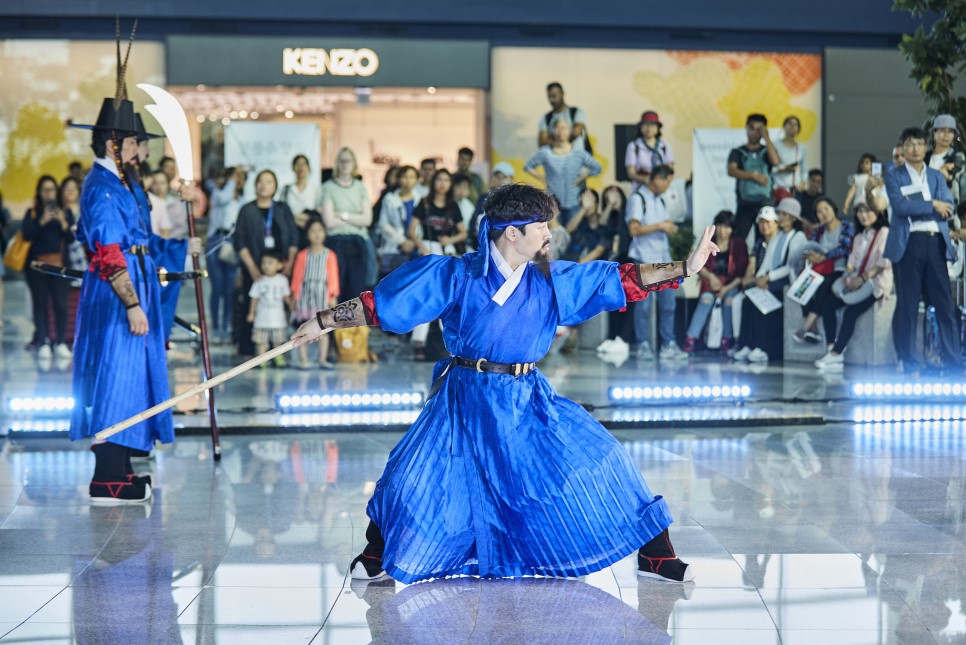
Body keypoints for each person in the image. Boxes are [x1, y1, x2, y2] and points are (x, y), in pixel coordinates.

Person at [291, 183, 720, 585]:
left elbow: (617, 278)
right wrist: (323, 321)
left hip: (525, 398)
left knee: (604, 457)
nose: (550, 233)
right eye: (541, 225)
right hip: (463, 396)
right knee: (412, 471)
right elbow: (386, 302)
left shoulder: (550, 278)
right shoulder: (457, 274)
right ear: (512, 233)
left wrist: (685, 267)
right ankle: (377, 551)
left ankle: (655, 552)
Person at [68, 73, 200, 503]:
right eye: (132, 143)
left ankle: (120, 470)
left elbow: (141, 242)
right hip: (115, 295)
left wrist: (183, 247)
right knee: (115, 377)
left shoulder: (123, 184)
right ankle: (106, 476)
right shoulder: (103, 189)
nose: (138, 150)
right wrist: (132, 305)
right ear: (113, 145)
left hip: (132, 285)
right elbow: (109, 253)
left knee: (132, 379)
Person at [884, 126, 962, 375]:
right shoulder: (894, 175)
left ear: (925, 147)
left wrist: (928, 205)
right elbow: (899, 207)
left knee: (945, 304)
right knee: (908, 305)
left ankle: (953, 360)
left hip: (935, 241)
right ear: (902, 148)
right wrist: (932, 204)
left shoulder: (936, 176)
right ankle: (909, 361)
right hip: (909, 243)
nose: (915, 149)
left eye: (919, 144)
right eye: (909, 144)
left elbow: (947, 207)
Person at [814, 203, 892, 370]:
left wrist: (863, 278)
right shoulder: (858, 236)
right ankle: (831, 348)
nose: (864, 215)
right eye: (860, 212)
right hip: (856, 282)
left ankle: (836, 353)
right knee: (828, 304)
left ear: (878, 213)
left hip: (875, 283)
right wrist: (847, 275)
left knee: (851, 312)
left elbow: (883, 262)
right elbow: (851, 262)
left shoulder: (884, 232)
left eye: (868, 210)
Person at [234, 169, 298, 356]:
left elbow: (293, 237)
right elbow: (240, 241)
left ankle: (278, 350)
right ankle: (251, 350)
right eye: (260, 181)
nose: (264, 185)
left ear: (275, 186)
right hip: (254, 269)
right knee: (252, 306)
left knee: (279, 309)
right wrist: (253, 269)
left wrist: (290, 262)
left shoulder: (282, 208)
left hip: (280, 269)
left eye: (269, 181)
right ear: (255, 185)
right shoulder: (247, 210)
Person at [626, 164, 686, 362]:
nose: (668, 186)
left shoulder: (660, 201)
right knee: (643, 306)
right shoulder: (638, 199)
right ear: (657, 179)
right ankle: (643, 344)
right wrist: (660, 226)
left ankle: (668, 343)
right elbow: (634, 229)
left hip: (664, 259)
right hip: (645, 259)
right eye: (667, 181)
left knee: (668, 304)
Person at [731, 207, 794, 363]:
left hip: (781, 283)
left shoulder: (784, 238)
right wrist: (758, 280)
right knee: (747, 300)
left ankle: (761, 346)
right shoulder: (759, 243)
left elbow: (788, 266)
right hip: (765, 281)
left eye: (768, 222)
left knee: (758, 302)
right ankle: (745, 344)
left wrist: (764, 279)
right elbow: (760, 265)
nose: (764, 226)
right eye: (761, 223)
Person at [21, 175, 75, 359]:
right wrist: (41, 222)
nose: (48, 193)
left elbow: (72, 238)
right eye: (45, 190)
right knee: (40, 304)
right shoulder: (33, 213)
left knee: (61, 304)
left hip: (60, 266)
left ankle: (59, 342)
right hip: (37, 267)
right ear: (39, 192)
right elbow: (27, 236)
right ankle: (43, 341)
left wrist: (63, 222)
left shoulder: (65, 211)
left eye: (51, 189)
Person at [682, 210, 748, 354]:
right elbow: (699, 266)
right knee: (706, 300)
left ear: (732, 229)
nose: (723, 230)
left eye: (727, 227)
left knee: (729, 301)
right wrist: (711, 278)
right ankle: (691, 339)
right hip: (710, 283)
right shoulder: (708, 243)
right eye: (720, 226)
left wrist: (726, 289)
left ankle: (727, 340)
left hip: (731, 285)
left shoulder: (739, 245)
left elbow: (740, 274)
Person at [791, 196, 855, 345]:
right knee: (802, 286)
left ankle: (805, 327)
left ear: (833, 208)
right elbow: (810, 247)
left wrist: (824, 256)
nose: (824, 213)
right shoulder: (818, 231)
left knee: (823, 284)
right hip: (819, 270)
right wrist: (812, 256)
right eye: (819, 212)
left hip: (840, 269)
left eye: (826, 208)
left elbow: (845, 247)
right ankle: (813, 330)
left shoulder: (847, 226)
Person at [321, 146, 375, 303]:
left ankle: (354, 328)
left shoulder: (360, 187)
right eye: (341, 160)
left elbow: (367, 220)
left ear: (354, 164)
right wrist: (355, 218)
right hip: (335, 242)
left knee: (357, 290)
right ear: (336, 163)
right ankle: (336, 327)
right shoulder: (328, 187)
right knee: (337, 289)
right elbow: (329, 222)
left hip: (358, 243)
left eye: (348, 160)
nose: (344, 164)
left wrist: (342, 215)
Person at [525, 119, 602, 223]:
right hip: (552, 203)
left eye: (563, 128)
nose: (560, 131)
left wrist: (581, 178)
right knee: (553, 235)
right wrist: (543, 180)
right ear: (552, 131)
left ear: (569, 131)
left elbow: (597, 167)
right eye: (557, 128)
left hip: (574, 202)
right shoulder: (545, 152)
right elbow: (528, 166)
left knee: (573, 236)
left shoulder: (578, 152)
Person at [291, 219, 339, 369]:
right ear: (307, 235)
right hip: (306, 296)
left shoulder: (330, 255)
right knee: (302, 327)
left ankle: (322, 358)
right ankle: (303, 359)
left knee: (323, 328)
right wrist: (294, 296)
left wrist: (333, 295)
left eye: (320, 230)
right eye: (313, 231)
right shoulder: (302, 255)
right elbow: (297, 277)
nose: (317, 234)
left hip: (322, 295)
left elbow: (333, 278)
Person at [207, 166, 247, 342]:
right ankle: (215, 327)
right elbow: (224, 197)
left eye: (240, 178)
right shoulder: (218, 194)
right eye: (234, 178)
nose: (237, 181)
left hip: (232, 243)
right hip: (216, 240)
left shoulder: (244, 200)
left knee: (231, 288)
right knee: (217, 288)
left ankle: (227, 325)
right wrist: (230, 179)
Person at [727, 114, 780, 242]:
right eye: (752, 128)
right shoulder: (738, 152)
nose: (754, 133)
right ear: (746, 128)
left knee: (765, 238)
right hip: (744, 202)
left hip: (765, 202)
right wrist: (753, 176)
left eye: (759, 130)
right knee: (738, 238)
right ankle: (738, 262)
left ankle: (761, 261)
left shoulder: (766, 151)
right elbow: (731, 170)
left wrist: (766, 138)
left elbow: (776, 161)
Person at [247, 251, 293, 367]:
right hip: (262, 318)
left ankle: (278, 358)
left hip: (277, 318)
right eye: (264, 263)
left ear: (279, 265)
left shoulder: (282, 280)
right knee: (261, 341)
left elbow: (285, 296)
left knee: (277, 341)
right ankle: (261, 360)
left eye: (270, 263)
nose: (266, 266)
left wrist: (292, 306)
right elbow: (254, 297)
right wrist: (251, 313)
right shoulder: (259, 280)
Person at [377, 165, 420, 276]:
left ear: (417, 179)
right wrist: (402, 241)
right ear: (398, 179)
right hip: (394, 247)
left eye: (412, 177)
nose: (408, 180)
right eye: (404, 176)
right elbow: (383, 224)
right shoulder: (390, 198)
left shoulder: (421, 199)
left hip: (417, 247)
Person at [624, 111, 674, 191]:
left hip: (660, 189)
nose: (649, 128)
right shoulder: (633, 146)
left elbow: (670, 169)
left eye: (652, 125)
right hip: (641, 188)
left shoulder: (664, 146)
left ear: (658, 128)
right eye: (645, 125)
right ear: (640, 127)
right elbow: (631, 173)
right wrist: (647, 179)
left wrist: (661, 182)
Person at [282, 154, 323, 249]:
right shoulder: (286, 190)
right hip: (291, 232)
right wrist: (294, 218)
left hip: (310, 232)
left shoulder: (316, 190)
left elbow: (318, 211)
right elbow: (283, 212)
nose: (301, 168)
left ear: (308, 168)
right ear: (293, 168)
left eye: (303, 164)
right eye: (297, 164)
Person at [537, 82, 588, 151]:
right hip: (556, 160)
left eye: (554, 96)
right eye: (549, 97)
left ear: (562, 94)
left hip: (577, 159)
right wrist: (561, 143)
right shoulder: (546, 118)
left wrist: (554, 141)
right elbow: (542, 141)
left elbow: (577, 131)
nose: (551, 100)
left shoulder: (576, 112)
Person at [927, 114, 965, 207]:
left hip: (949, 210)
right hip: (925, 208)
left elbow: (947, 176)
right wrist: (941, 170)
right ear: (934, 133)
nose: (946, 135)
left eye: (950, 132)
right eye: (942, 131)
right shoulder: (925, 157)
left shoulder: (957, 157)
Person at [772, 115, 807, 196]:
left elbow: (804, 169)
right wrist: (784, 169)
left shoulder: (801, 147)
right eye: (790, 124)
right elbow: (771, 168)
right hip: (779, 189)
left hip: (796, 189)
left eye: (795, 125)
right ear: (784, 126)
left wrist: (803, 182)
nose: (792, 127)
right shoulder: (775, 145)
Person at [794, 169, 823, 233]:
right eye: (813, 180)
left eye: (818, 182)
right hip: (801, 230)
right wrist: (807, 224)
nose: (815, 184)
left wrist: (816, 226)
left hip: (817, 231)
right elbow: (795, 214)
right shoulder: (799, 196)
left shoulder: (822, 199)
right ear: (808, 180)